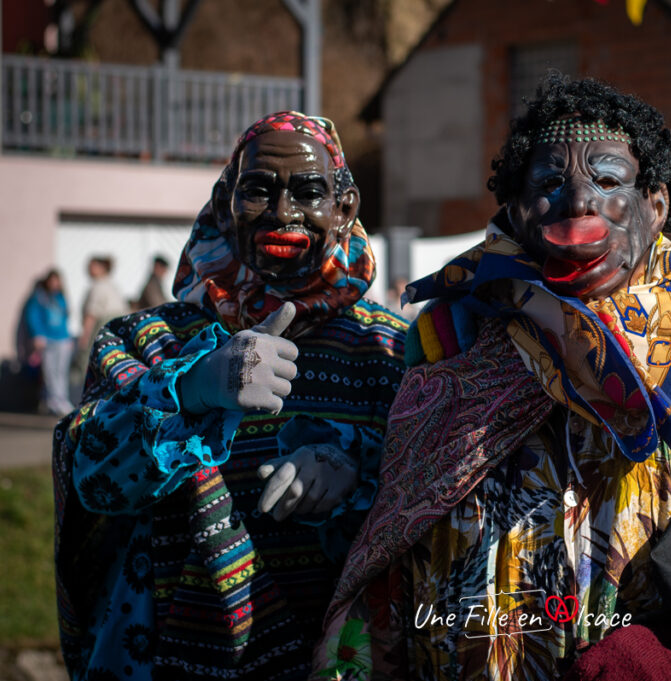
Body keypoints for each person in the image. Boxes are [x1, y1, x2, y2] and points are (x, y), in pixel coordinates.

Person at [314, 75, 671, 681]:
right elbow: (391, 543)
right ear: (512, 207)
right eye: (548, 184)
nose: (578, 203)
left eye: (608, 182)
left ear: (656, 205)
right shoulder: (453, 336)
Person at [52, 111, 407, 680]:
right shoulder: (145, 340)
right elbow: (89, 477)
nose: (283, 213)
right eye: (258, 190)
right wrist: (190, 388)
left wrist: (355, 467)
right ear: (224, 206)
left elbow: (441, 496)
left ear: (345, 211)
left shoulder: (390, 350)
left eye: (309, 191)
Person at [21, 269, 74, 415]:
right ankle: (53, 399)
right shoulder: (39, 297)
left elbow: (64, 319)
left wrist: (68, 337)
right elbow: (32, 317)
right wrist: (37, 335)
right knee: (50, 371)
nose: (54, 283)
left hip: (62, 339)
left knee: (61, 371)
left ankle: (62, 399)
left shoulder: (61, 297)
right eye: (52, 280)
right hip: (47, 340)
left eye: (57, 280)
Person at [78, 255, 129, 349]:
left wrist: (85, 337)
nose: (89, 269)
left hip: (102, 330)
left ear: (101, 268)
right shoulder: (113, 285)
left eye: (92, 266)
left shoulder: (99, 286)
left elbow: (92, 314)